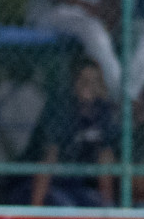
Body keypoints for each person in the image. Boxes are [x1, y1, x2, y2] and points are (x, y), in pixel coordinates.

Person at [24, 60, 117, 208]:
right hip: (48, 183)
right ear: (74, 83)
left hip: (78, 184)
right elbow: (48, 158)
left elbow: (105, 156)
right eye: (83, 80)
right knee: (67, 207)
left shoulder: (102, 110)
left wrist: (108, 206)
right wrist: (36, 208)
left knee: (98, 205)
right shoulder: (60, 108)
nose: (89, 86)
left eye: (94, 81)